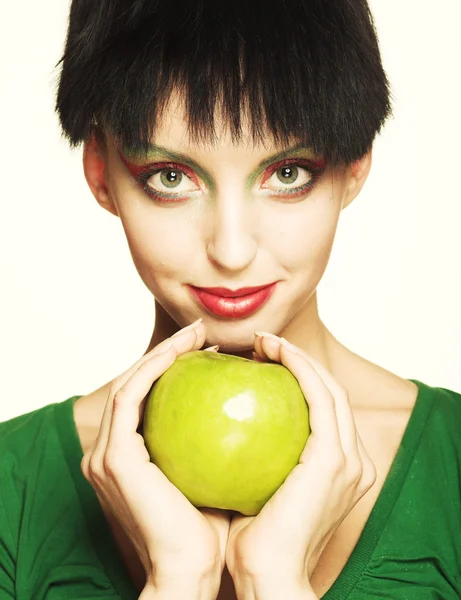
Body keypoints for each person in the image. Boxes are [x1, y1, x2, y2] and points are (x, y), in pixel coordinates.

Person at [1, 0, 460, 598]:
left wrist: (274, 582)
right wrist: (177, 581)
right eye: (171, 176)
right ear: (99, 170)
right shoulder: (14, 488)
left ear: (355, 164)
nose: (233, 249)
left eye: (289, 173)